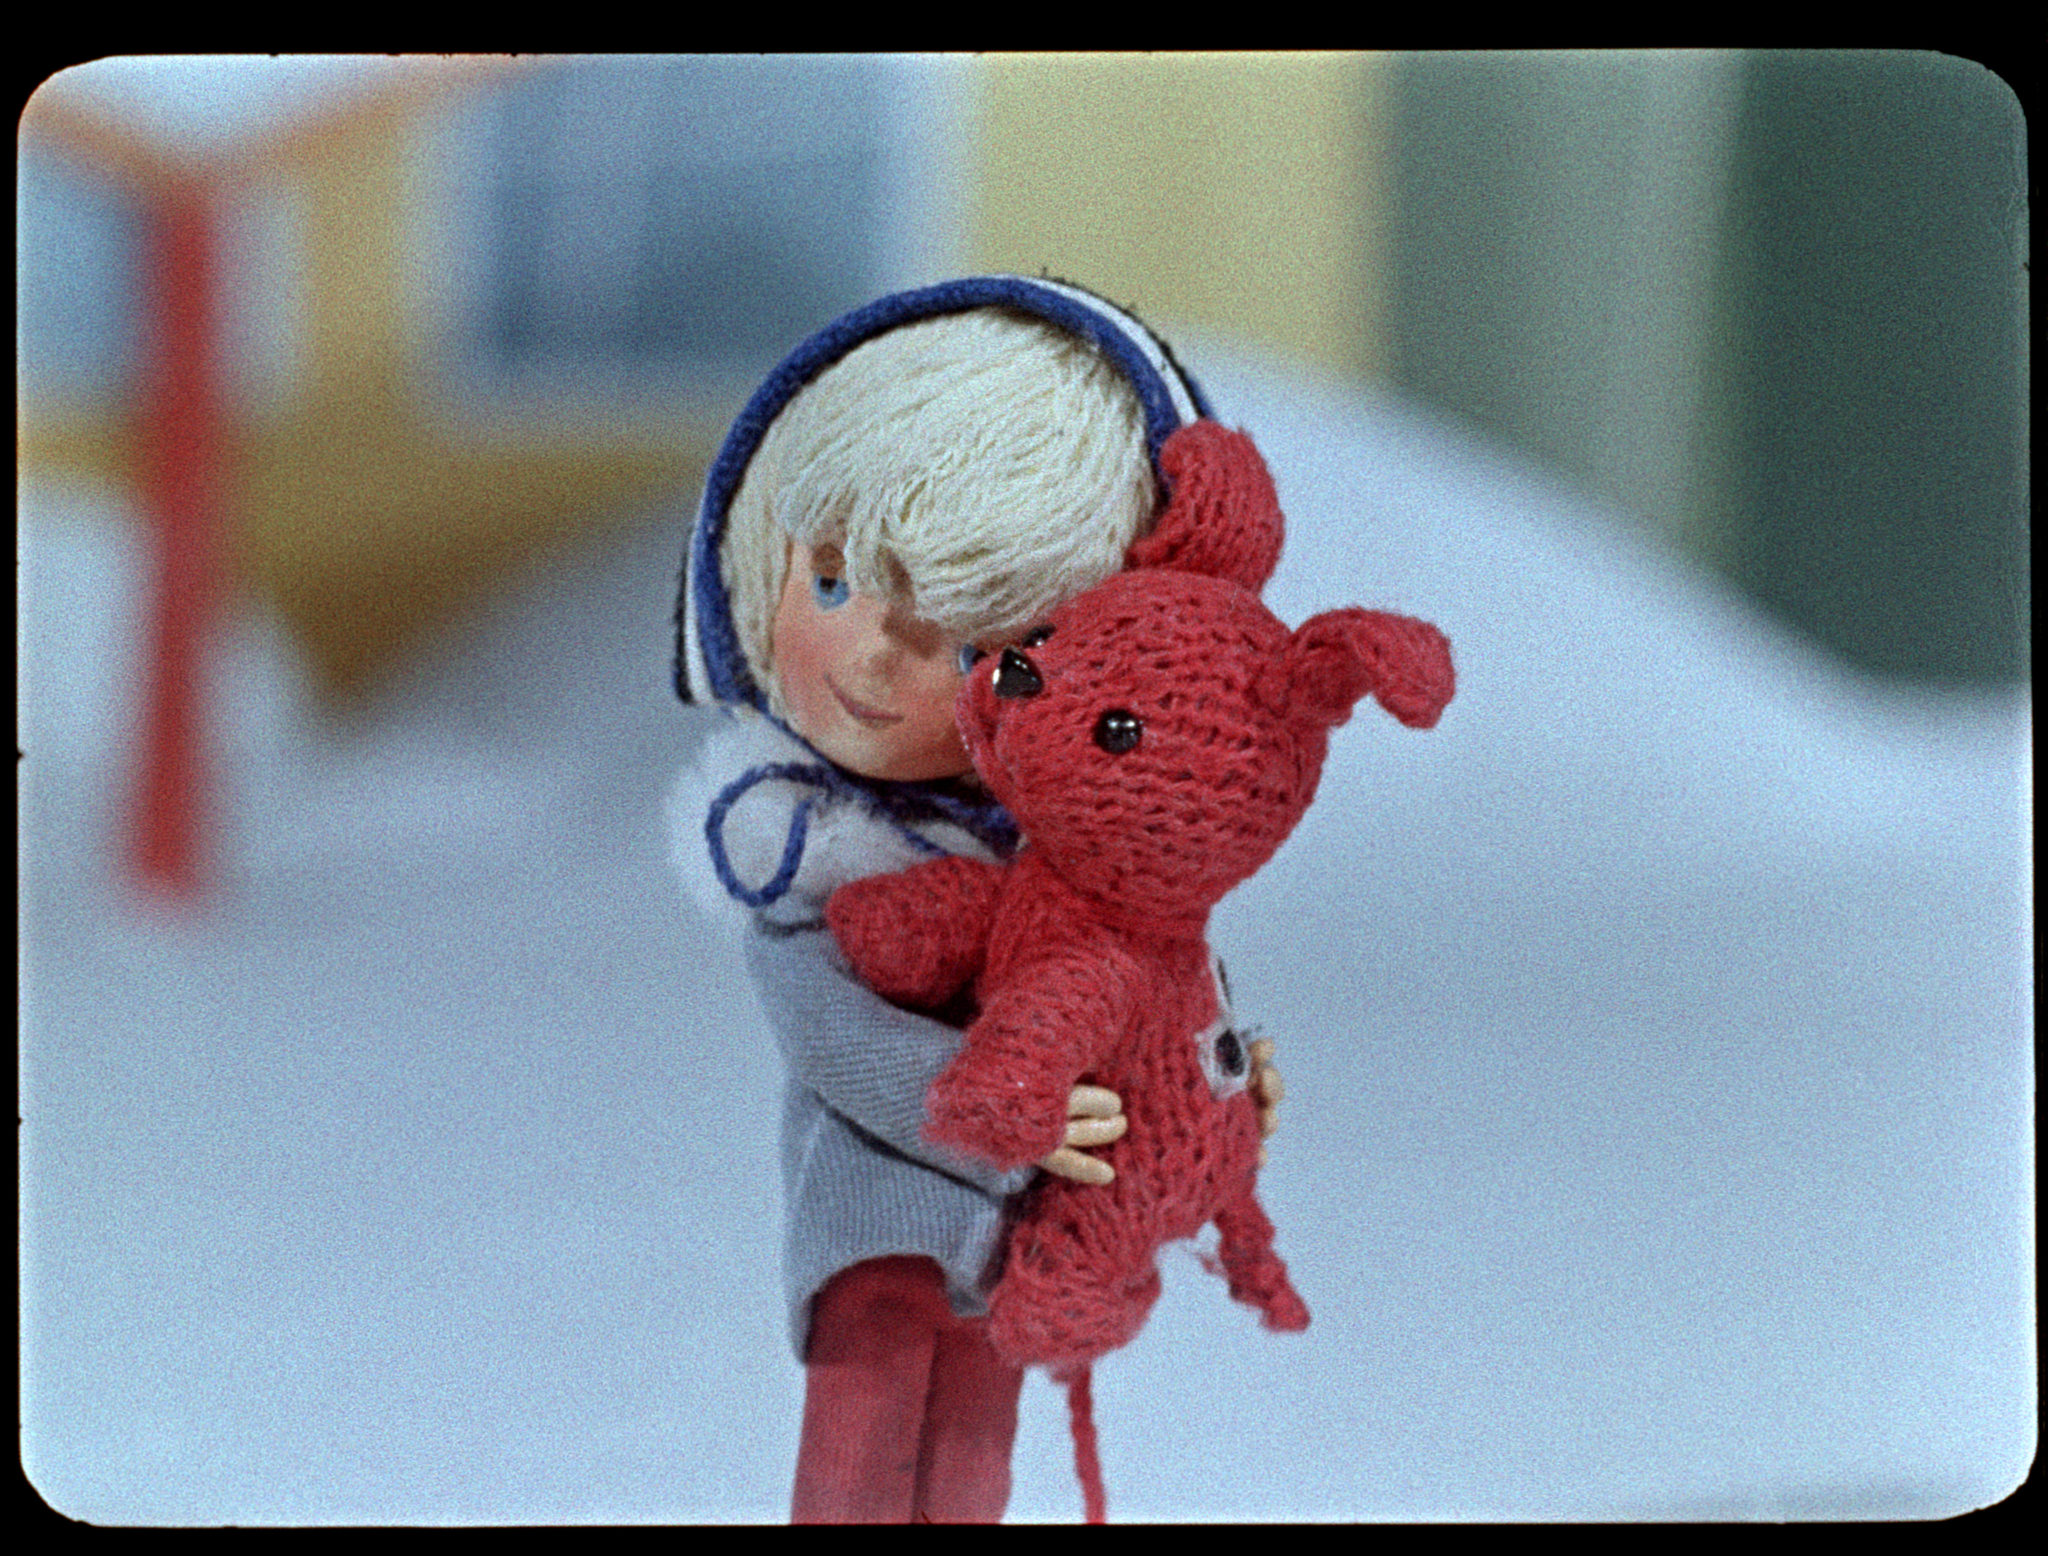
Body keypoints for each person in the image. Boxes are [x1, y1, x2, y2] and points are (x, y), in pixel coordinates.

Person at [668, 276, 1281, 1523]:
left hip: (1019, 1229)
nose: (875, 660)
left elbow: (1149, 986)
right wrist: (1003, 1112)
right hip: (877, 1208)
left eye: (968, 645)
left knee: (971, 1454)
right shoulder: (799, 855)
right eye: (831, 584)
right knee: (861, 1439)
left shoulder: (1067, 854)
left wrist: (1218, 1077)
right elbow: (835, 1043)